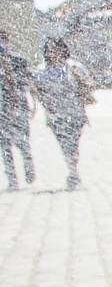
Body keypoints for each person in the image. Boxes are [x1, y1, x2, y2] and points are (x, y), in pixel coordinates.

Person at [31, 38, 93, 190]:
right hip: (55, 114)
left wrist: (83, 86)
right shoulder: (42, 70)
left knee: (73, 143)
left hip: (75, 112)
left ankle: (73, 169)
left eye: (57, 49)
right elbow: (37, 90)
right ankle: (73, 171)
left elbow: (89, 84)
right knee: (65, 144)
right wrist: (45, 100)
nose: (54, 53)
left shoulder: (74, 66)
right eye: (51, 50)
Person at [0, 31, 35, 191]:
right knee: (4, 145)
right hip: (2, 109)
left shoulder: (18, 61)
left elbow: (25, 82)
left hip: (18, 106)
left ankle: (28, 165)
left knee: (23, 141)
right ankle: (12, 179)